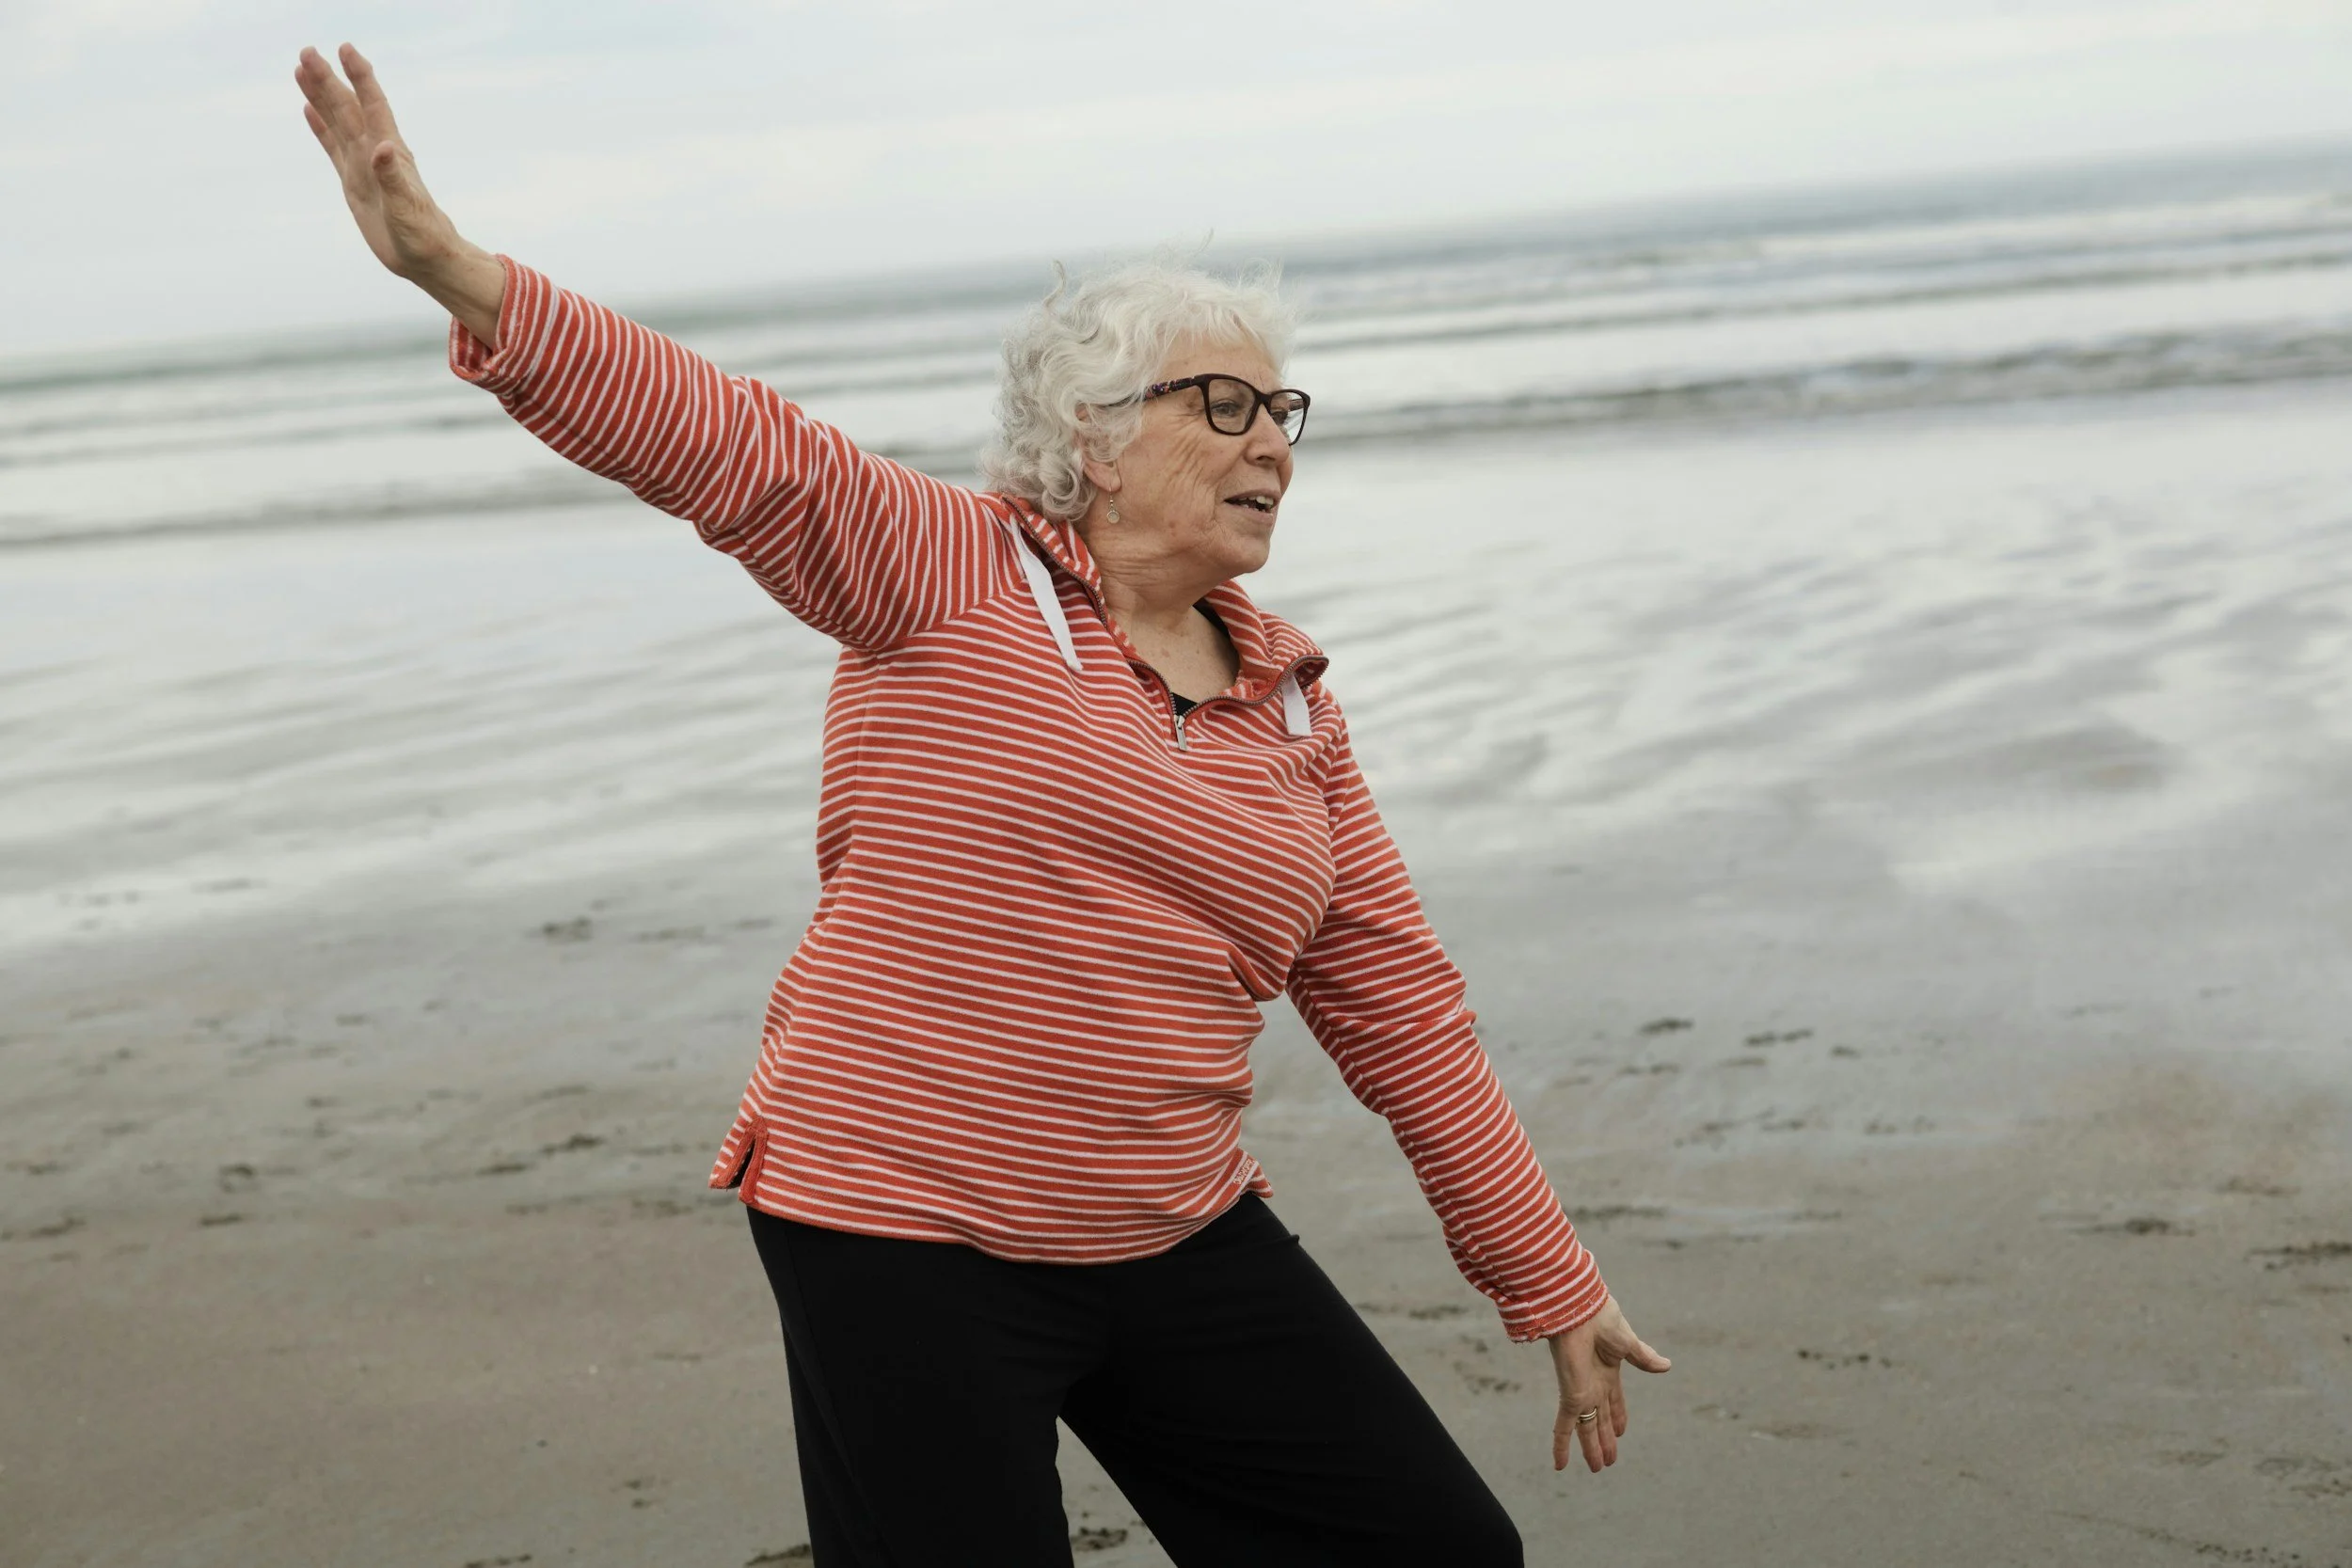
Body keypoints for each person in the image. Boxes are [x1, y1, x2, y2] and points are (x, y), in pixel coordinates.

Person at [295, 41, 1670, 1568]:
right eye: (1221, 404)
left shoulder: (1292, 705)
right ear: (1089, 435)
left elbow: (1403, 1012)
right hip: (899, 1226)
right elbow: (734, 445)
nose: (1272, 437)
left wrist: (1549, 1279)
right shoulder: (952, 575)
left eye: (1283, 407)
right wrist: (458, 273)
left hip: (1173, 1226)